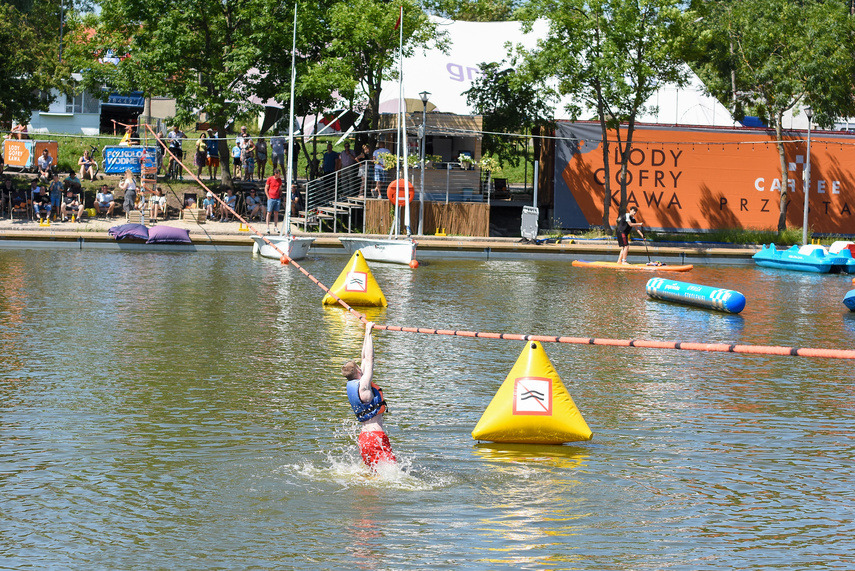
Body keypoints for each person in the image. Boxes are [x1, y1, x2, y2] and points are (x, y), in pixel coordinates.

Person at [341, 321, 396, 469]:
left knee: (373, 474)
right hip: (376, 438)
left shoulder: (355, 385)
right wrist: (369, 332)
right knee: (393, 473)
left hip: (364, 439)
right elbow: (369, 360)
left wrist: (367, 332)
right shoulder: (364, 387)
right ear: (358, 371)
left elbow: (365, 358)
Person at [265, 168, 283, 233]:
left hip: (277, 198)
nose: (279, 175)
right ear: (275, 174)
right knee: (269, 212)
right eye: (279, 174)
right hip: (271, 198)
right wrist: (268, 197)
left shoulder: (280, 180)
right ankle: (267, 227)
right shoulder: (270, 179)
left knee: (276, 213)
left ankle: (275, 226)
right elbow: (266, 188)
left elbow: (280, 188)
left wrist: (280, 196)